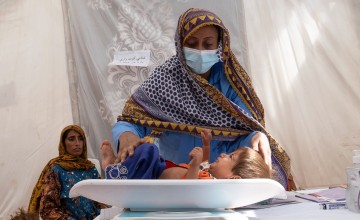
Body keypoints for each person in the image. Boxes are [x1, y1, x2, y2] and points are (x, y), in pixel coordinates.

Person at [112, 8, 295, 190]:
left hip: (219, 183)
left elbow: (244, 131)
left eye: (208, 45)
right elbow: (130, 120)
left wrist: (256, 136)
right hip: (172, 180)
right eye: (192, 43)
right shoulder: (163, 80)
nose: (200, 51)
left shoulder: (232, 82)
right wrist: (126, 135)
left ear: (220, 45)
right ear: (180, 44)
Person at [101, 130, 271, 180]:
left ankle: (114, 170)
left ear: (234, 178)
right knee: (147, 148)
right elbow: (205, 162)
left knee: (148, 150)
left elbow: (188, 189)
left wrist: (195, 165)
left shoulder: (211, 187)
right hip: (161, 168)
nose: (225, 154)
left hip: (154, 176)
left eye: (231, 157)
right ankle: (116, 166)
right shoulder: (209, 175)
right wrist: (206, 145)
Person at [28, 125, 108, 220]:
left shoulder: (90, 168)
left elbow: (101, 199)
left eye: (80, 139)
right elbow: (47, 209)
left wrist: (105, 214)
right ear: (63, 143)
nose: (77, 143)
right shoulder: (57, 169)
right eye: (71, 139)